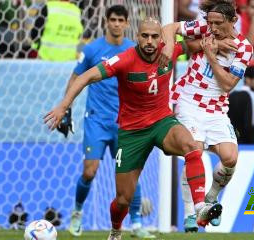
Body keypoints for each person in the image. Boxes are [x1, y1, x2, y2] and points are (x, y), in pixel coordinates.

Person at [44, 18, 222, 240]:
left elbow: (201, 43)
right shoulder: (124, 60)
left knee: (192, 145)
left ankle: (199, 208)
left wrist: (223, 41)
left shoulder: (170, 50)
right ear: (136, 37)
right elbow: (86, 76)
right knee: (123, 199)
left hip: (162, 122)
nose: (149, 41)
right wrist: (63, 106)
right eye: (145, 36)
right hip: (132, 132)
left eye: (155, 36)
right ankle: (116, 231)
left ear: (161, 38)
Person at [58, 5, 155, 238]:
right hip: (96, 121)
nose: (116, 24)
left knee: (130, 174)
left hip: (125, 123)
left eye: (121, 20)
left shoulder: (134, 49)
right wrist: (66, 108)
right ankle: (78, 214)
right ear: (106, 21)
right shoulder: (92, 49)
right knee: (90, 171)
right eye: (113, 19)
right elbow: (76, 77)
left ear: (127, 23)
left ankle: (136, 225)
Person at [161, 0, 253, 230]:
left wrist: (210, 54)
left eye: (218, 23)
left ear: (233, 21)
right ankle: (191, 213)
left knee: (230, 159)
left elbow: (228, 84)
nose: (212, 27)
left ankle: (211, 197)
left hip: (217, 108)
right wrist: (169, 47)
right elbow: (169, 28)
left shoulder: (243, 48)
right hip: (188, 100)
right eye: (210, 22)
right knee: (194, 150)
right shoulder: (205, 28)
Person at [228, 65, 254, 144]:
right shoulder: (240, 96)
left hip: (246, 139)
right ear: (248, 79)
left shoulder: (252, 94)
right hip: (241, 141)